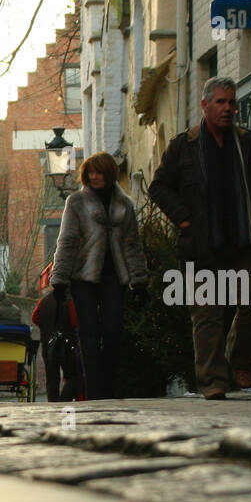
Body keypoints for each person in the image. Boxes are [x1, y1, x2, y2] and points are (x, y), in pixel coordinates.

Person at [149, 76, 251, 400]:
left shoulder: (248, 143)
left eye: (232, 103)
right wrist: (184, 219)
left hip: (244, 239)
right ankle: (212, 381)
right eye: (221, 102)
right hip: (202, 244)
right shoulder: (184, 145)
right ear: (205, 105)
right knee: (207, 314)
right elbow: (158, 186)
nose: (228, 109)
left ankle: (238, 363)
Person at [50, 151, 149, 400]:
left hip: (114, 277)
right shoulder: (76, 202)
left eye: (99, 172)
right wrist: (60, 279)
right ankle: (94, 392)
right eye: (91, 172)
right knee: (89, 335)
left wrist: (139, 280)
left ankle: (108, 385)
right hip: (83, 277)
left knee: (113, 333)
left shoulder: (124, 205)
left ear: (109, 174)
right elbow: (67, 241)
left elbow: (132, 245)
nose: (94, 177)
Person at [33, 263, 83, 402]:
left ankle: (53, 404)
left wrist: (46, 328)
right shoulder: (70, 300)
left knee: (52, 379)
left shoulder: (43, 301)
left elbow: (35, 318)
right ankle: (63, 400)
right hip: (66, 345)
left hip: (47, 344)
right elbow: (75, 321)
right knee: (74, 375)